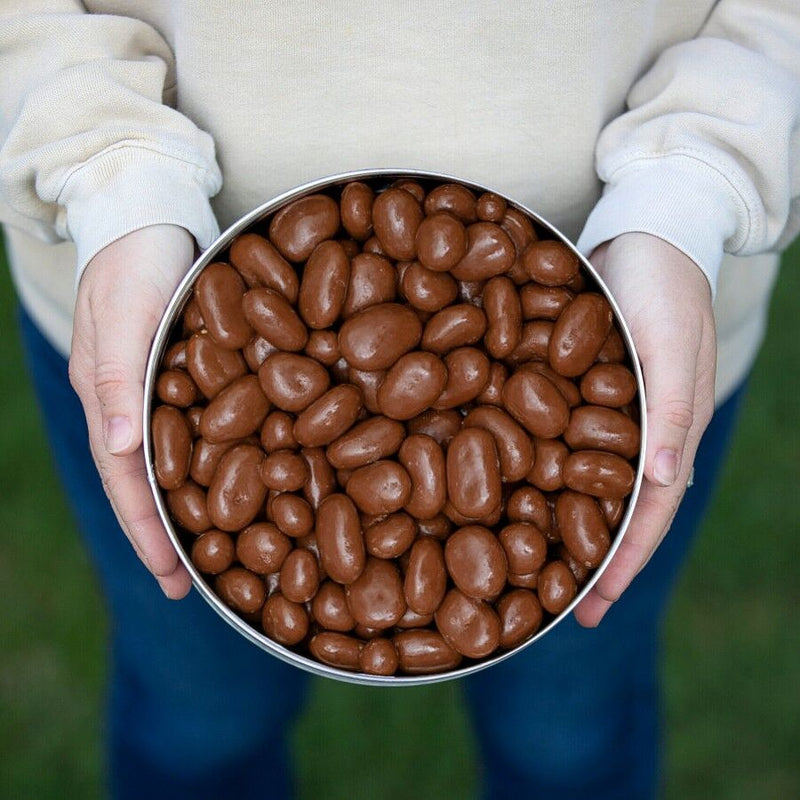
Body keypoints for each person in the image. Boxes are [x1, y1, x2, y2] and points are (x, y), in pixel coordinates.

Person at [1, 2, 798, 798]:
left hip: (649, 312)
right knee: (196, 720)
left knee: (567, 737)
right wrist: (107, 168)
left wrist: (693, 184)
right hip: (136, 298)